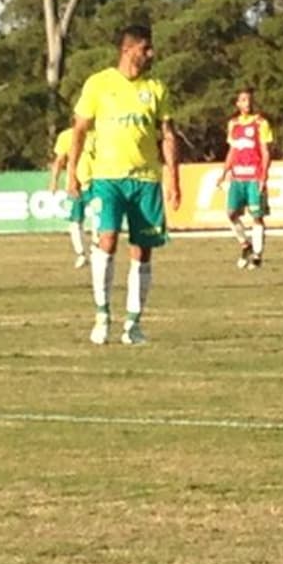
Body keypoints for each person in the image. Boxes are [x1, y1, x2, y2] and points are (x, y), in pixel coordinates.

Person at [67, 24, 181, 345]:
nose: (150, 54)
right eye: (145, 48)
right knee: (107, 239)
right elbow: (78, 129)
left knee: (142, 250)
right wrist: (73, 170)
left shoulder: (156, 88)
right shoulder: (99, 84)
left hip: (146, 179)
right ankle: (102, 315)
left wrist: (173, 177)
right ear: (128, 49)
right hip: (107, 177)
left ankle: (133, 323)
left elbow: (168, 135)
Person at [216, 86, 273, 269]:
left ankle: (257, 255)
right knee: (231, 213)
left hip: (254, 176)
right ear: (238, 103)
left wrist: (264, 175)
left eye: (249, 99)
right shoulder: (233, 124)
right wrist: (224, 172)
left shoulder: (261, 123)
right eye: (243, 100)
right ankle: (245, 244)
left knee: (257, 216)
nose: (247, 103)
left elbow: (265, 151)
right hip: (237, 177)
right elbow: (232, 150)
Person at [49, 126, 97, 268]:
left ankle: (96, 250)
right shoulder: (66, 136)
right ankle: (81, 254)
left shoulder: (96, 133)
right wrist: (54, 181)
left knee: (99, 217)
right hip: (74, 185)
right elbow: (60, 160)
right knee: (75, 220)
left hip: (95, 183)